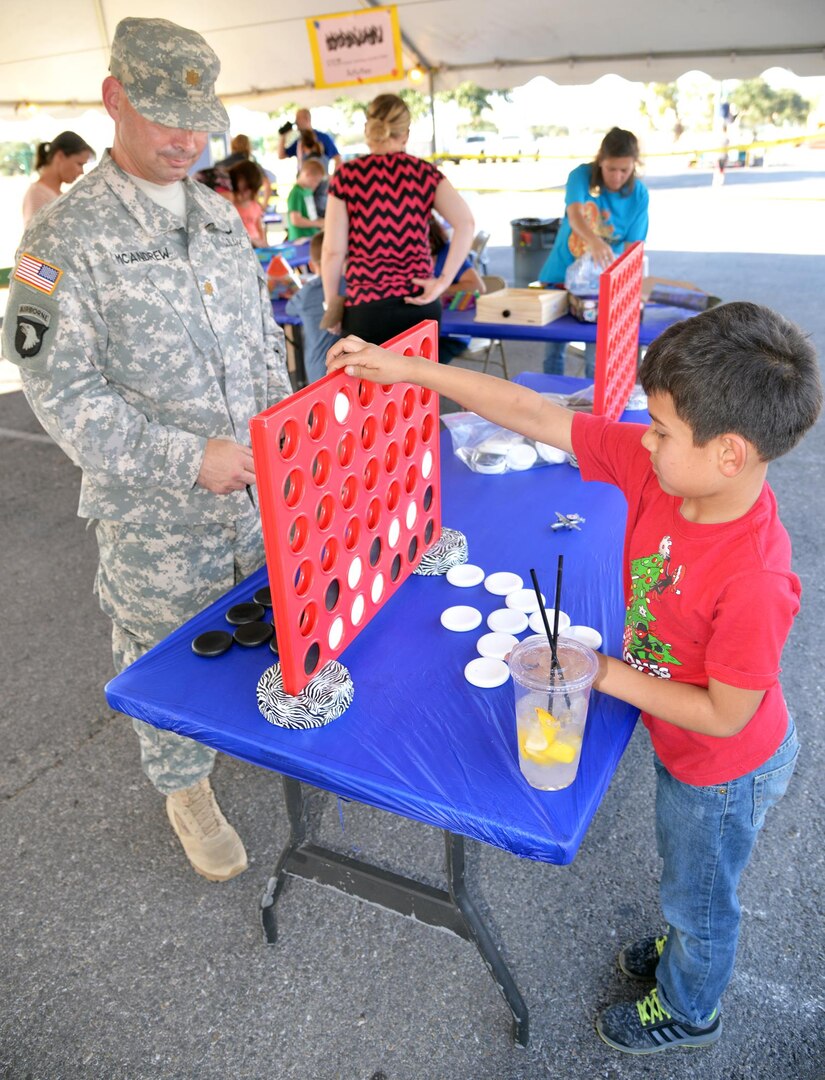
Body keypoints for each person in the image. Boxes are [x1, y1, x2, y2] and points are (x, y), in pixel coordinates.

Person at [326, 300, 822, 1055]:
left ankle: (690, 1008)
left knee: (700, 896)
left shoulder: (753, 577)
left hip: (723, 768)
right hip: (685, 747)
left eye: (658, 429)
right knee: (685, 878)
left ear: (728, 453)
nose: (642, 439)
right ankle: (684, 951)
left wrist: (598, 673)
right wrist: (410, 371)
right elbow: (532, 412)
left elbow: (724, 714)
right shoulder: (667, 474)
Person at [1, 17, 293, 884]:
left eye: (198, 117)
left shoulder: (215, 215)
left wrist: (290, 435)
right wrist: (183, 457)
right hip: (157, 517)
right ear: (114, 98)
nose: (187, 139)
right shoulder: (61, 239)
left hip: (256, 495)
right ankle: (185, 788)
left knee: (262, 627)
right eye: (166, 115)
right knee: (165, 659)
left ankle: (258, 739)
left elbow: (263, 346)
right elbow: (59, 392)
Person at [320, 93, 475, 344]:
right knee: (420, 384)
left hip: (366, 309)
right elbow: (466, 223)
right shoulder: (425, 173)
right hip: (420, 303)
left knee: (367, 384)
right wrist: (443, 282)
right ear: (406, 133)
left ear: (368, 129)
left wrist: (332, 302)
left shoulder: (347, 176)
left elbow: (332, 251)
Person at [538, 128, 649, 377]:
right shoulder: (581, 175)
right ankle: (547, 404)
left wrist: (632, 289)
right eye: (611, 169)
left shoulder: (639, 194)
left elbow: (633, 250)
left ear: (634, 166)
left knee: (595, 355)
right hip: (559, 275)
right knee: (554, 350)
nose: (617, 176)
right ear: (601, 161)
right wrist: (595, 241)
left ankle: (590, 410)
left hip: (600, 285)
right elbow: (575, 215)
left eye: (625, 170)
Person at [428, 213, 486, 363]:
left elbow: (477, 286)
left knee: (425, 366)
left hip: (451, 335)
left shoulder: (447, 253)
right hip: (421, 330)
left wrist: (438, 288)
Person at [285, 230, 339, 384]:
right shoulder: (348, 286)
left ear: (311, 265)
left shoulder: (306, 294)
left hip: (317, 373)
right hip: (348, 366)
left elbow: (290, 309)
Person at [21, 131, 95, 227]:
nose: (82, 171)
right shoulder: (37, 195)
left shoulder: (56, 194)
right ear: (60, 156)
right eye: (79, 164)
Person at [278, 109, 341, 215]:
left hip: (317, 197)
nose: (296, 122)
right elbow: (281, 155)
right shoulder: (299, 140)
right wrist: (283, 135)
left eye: (298, 118)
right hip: (309, 196)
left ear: (306, 119)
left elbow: (338, 159)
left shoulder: (323, 138)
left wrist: (331, 180)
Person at [216, 133, 273, 206]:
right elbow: (267, 186)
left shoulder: (220, 165)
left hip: (227, 207)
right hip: (248, 208)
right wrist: (263, 207)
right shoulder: (254, 167)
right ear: (249, 147)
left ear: (232, 145)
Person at [229, 160, 267, 246]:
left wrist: (264, 243)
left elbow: (260, 227)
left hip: (256, 246)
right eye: (245, 188)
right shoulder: (230, 204)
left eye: (250, 189)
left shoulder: (255, 205)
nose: (246, 193)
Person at [286, 158, 325, 242]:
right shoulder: (296, 193)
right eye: (315, 181)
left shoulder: (308, 191)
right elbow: (295, 220)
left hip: (311, 236)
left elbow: (311, 216)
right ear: (307, 174)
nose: (317, 184)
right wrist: (318, 223)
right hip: (300, 239)